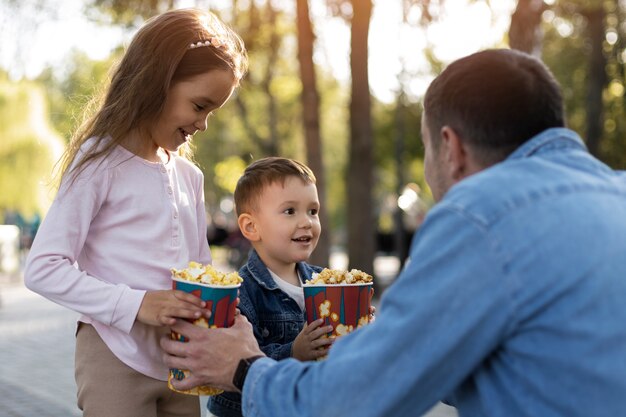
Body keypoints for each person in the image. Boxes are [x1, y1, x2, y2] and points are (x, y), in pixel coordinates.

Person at [161, 48, 626, 417]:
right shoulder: (615, 193)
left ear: (451, 147)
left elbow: (355, 400)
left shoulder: (480, 216)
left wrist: (243, 368)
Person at [24, 8, 247, 417]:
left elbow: (199, 272)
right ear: (157, 81)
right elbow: (43, 267)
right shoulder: (98, 162)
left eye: (211, 112)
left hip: (180, 360)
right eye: (199, 106)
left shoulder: (189, 177)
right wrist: (137, 305)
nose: (203, 124)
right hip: (113, 354)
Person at [208, 157, 334, 417]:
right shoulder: (240, 295)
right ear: (251, 227)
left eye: (313, 211)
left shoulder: (326, 284)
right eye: (290, 211)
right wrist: (294, 352)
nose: (307, 222)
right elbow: (233, 365)